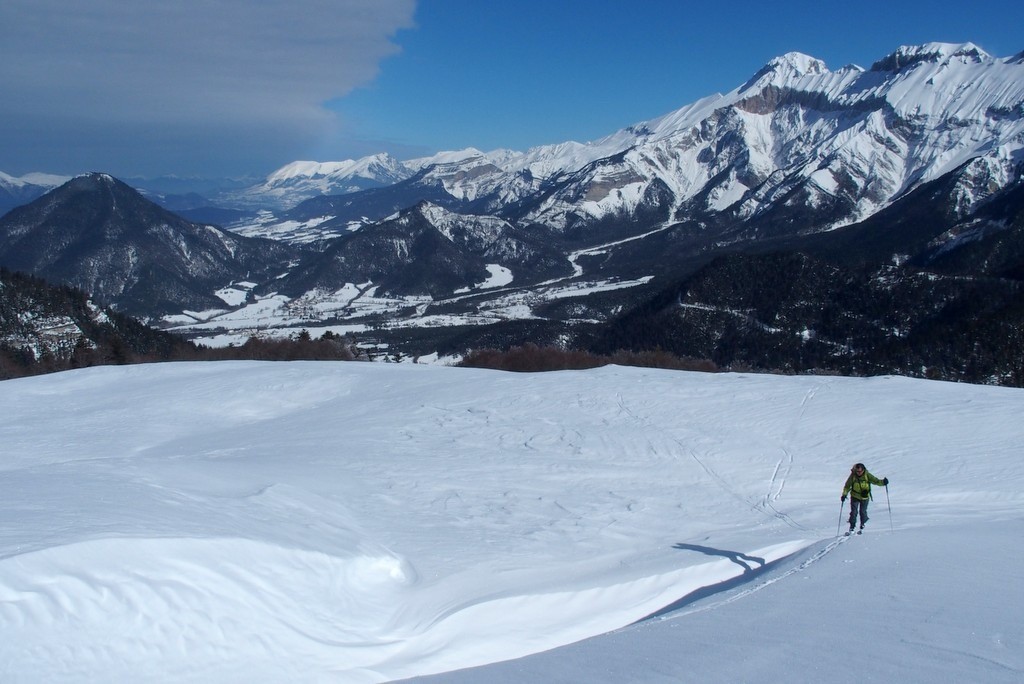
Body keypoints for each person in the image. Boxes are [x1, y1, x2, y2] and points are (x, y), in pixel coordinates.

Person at [841, 463, 888, 534]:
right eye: (857, 471)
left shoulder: (867, 475)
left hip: (865, 497)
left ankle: (863, 525)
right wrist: (844, 494)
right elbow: (847, 486)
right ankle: (852, 527)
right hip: (855, 496)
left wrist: (883, 482)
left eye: (860, 471)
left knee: (862, 512)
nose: (858, 473)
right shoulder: (853, 476)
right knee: (853, 512)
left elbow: (876, 481)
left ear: (863, 470)